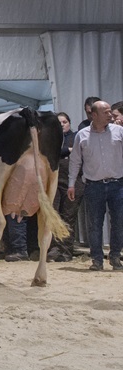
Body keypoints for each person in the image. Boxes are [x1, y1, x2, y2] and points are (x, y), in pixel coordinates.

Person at [68, 100, 123, 271]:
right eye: (106, 112)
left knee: (119, 222)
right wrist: (71, 184)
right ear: (94, 115)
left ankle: (115, 256)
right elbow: (75, 161)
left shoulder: (119, 131)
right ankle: (97, 259)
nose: (110, 115)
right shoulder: (82, 135)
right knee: (94, 224)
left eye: (110, 112)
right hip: (93, 185)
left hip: (117, 184)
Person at [49, 112, 80, 262]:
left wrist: (64, 152)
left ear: (69, 123)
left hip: (73, 182)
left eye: (65, 122)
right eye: (58, 122)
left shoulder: (76, 137)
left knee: (69, 215)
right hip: (54, 180)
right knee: (54, 214)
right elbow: (52, 152)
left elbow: (79, 153)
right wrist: (67, 151)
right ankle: (54, 248)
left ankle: (66, 250)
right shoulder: (51, 138)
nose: (62, 124)